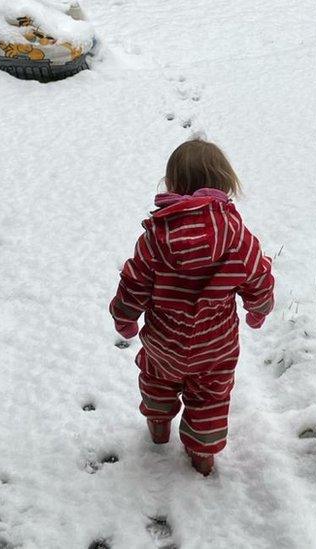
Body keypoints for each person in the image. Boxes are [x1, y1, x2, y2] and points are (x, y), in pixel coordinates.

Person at [109, 138, 275, 476]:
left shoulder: (156, 236)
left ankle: (158, 425)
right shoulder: (237, 236)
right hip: (214, 345)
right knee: (211, 397)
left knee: (157, 379)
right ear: (225, 183)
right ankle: (202, 453)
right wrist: (258, 309)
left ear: (171, 184)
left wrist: (124, 317)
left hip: (165, 341)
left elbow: (134, 281)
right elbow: (259, 276)